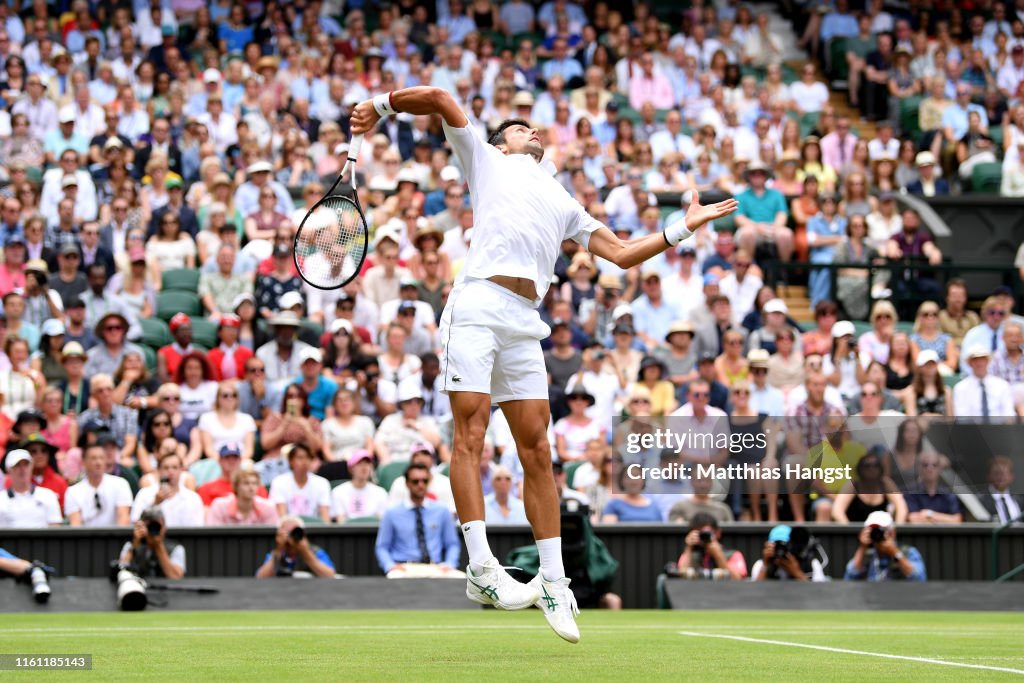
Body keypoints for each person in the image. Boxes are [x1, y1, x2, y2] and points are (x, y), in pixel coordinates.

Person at [351, 85, 736, 641]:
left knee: (538, 450)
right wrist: (381, 106)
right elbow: (436, 96)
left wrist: (683, 227)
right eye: (518, 127)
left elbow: (623, 254)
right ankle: (482, 567)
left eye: (533, 127)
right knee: (471, 434)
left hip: (524, 320)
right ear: (501, 143)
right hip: (478, 305)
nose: (530, 130)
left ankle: (554, 581)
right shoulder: (483, 159)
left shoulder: (562, 200)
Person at [374, 462, 463, 578]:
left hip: (435, 567)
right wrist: (390, 565)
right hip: (404, 568)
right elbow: (382, 547)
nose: (420, 485)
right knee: (394, 576)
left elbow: (452, 544)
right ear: (407, 484)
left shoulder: (442, 510)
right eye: (415, 481)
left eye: (425, 481)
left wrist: (450, 563)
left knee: (460, 578)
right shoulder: (392, 513)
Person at [844, 510, 926, 581]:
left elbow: (919, 579)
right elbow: (849, 578)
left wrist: (895, 553)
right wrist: (862, 547)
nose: (877, 534)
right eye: (873, 530)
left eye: (881, 530)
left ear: (892, 532)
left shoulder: (908, 552)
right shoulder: (867, 556)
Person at [65, 443, 133, 526]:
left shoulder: (121, 484)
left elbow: (123, 519)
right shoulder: (73, 492)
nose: (98, 462)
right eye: (93, 458)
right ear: (83, 462)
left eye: (101, 458)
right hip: (84, 538)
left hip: (116, 537)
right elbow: (75, 525)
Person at [130, 452, 204, 527]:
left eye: (175, 467)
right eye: (166, 468)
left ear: (181, 470)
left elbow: (197, 529)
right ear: (158, 470)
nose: (170, 472)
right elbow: (135, 524)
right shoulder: (144, 494)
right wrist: (155, 504)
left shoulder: (193, 498)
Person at [255, 515, 336, 578]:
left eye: (295, 531)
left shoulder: (315, 551)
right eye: (287, 532)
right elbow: (261, 577)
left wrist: (305, 552)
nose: (292, 536)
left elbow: (330, 576)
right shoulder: (276, 553)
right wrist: (279, 550)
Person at [269, 443, 331, 523]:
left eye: (308, 458)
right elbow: (281, 516)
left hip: (314, 531)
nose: (304, 462)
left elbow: (325, 518)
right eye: (300, 458)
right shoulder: (279, 482)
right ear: (290, 461)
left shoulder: (322, 483)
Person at [675, 513, 747, 580]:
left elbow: (738, 580)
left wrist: (718, 555)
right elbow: (680, 578)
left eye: (707, 533)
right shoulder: (689, 555)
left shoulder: (733, 555)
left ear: (718, 533)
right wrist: (689, 548)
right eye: (699, 534)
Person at [0, 449, 62, 527]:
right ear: (8, 470)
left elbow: (55, 529)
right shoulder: (1, 499)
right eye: (17, 465)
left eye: (26, 464)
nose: (22, 469)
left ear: (31, 467)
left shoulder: (48, 495)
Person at [119, 507, 186, 579]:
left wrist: (158, 546)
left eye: (157, 526)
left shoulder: (176, 548)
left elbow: (176, 577)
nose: (153, 529)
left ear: (164, 527)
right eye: (149, 526)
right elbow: (121, 571)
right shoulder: (131, 545)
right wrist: (134, 546)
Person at [954, 345, 1016, 420]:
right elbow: (962, 417)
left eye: (982, 359)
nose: (979, 363)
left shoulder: (1002, 385)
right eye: (975, 360)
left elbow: (1009, 413)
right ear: (969, 363)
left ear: (987, 361)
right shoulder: (961, 388)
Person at [750, 525, 828, 582]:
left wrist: (796, 572)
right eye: (777, 546)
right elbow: (755, 593)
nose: (781, 550)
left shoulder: (812, 564)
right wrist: (766, 565)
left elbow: (818, 592)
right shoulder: (760, 565)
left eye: (785, 545)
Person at [904, 452, 963, 524]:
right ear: (919, 468)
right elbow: (914, 519)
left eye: (934, 465)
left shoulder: (948, 494)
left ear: (940, 468)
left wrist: (929, 514)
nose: (930, 468)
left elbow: (957, 520)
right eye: (925, 465)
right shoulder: (911, 492)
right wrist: (945, 519)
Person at [331, 449, 389, 522]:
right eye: (359, 464)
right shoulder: (338, 492)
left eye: (367, 463)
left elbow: (382, 521)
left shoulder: (380, 493)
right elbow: (340, 521)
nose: (364, 467)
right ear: (351, 468)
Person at [207, 468, 279, 526]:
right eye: (246, 483)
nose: (251, 487)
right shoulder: (220, 506)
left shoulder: (268, 507)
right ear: (236, 486)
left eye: (255, 483)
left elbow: (271, 537)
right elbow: (213, 536)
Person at [980, 456, 1023, 525]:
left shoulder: (1020, 500)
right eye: (996, 473)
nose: (1000, 477)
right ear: (989, 476)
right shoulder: (980, 501)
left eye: (1004, 473)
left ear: (1011, 476)